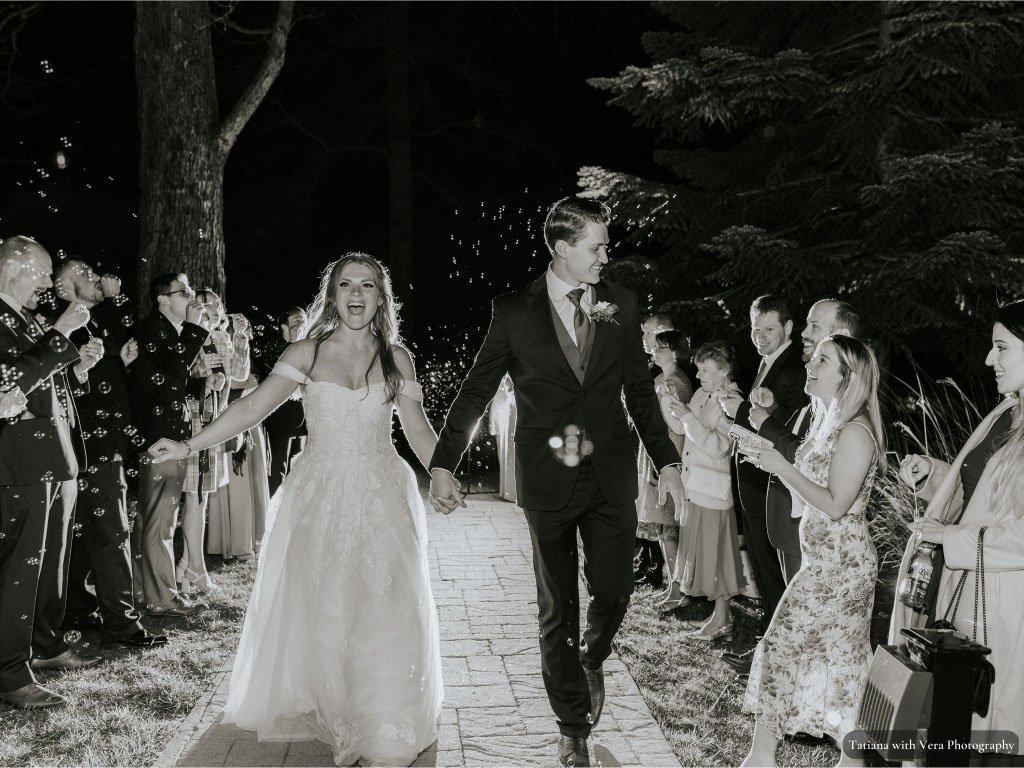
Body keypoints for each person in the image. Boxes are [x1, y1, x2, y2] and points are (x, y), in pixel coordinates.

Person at [148, 253, 442, 767]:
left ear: (380, 297)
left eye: (367, 286)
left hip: (382, 490)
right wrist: (189, 445)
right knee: (326, 600)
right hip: (320, 492)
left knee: (387, 596)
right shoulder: (306, 352)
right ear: (331, 296)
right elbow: (251, 407)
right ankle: (336, 702)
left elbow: (416, 428)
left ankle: (384, 715)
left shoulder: (398, 358)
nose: (356, 294)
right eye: (346, 285)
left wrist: (442, 470)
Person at [428, 197, 685, 768]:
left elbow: (639, 393)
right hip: (546, 478)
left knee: (616, 588)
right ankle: (571, 724)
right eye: (596, 247)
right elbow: (475, 390)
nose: (604, 256)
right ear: (563, 248)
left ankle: (591, 659)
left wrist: (667, 459)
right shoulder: (513, 311)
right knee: (557, 605)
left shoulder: (618, 304)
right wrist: (444, 461)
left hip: (611, 472)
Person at [736, 335, 885, 767]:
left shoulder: (856, 431)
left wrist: (782, 467)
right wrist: (770, 455)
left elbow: (837, 504)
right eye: (813, 356)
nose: (811, 364)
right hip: (826, 562)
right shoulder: (827, 424)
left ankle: (761, 758)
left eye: (823, 360)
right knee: (841, 662)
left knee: (788, 646)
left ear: (848, 377)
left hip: (842, 567)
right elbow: (810, 495)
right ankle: (850, 761)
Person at [891, 300, 1024, 765]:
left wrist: (953, 541)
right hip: (969, 593)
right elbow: (983, 496)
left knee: (989, 723)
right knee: (954, 722)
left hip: (1007, 609)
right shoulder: (1006, 412)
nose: (991, 359)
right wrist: (934, 474)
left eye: (1001, 347)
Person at [722, 299, 861, 676]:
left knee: (820, 634)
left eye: (815, 328)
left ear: (843, 339)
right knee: (793, 620)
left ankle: (790, 681)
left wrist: (768, 431)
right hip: (799, 525)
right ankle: (780, 672)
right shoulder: (823, 405)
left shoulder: (852, 419)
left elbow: (806, 460)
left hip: (828, 544)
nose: (804, 334)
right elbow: (804, 442)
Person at [0, 236, 99, 710]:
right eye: (38, 272)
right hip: (19, 464)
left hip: (51, 459)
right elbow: (10, 383)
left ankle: (43, 644)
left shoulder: (23, 319)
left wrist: (76, 367)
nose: (45, 282)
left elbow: (40, 386)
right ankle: (10, 673)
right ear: (10, 269)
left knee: (49, 565)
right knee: (20, 572)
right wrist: (59, 334)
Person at [53, 259, 166, 648]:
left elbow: (120, 353)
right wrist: (115, 301)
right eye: (85, 274)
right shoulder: (67, 320)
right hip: (90, 443)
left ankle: (81, 610)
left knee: (89, 532)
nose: (97, 278)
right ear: (63, 284)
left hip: (102, 439)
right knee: (110, 532)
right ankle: (122, 623)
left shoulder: (89, 319)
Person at [720, 294, 806, 635]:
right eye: (756, 329)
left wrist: (737, 411)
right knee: (762, 565)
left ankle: (776, 639)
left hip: (770, 483)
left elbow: (785, 428)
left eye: (770, 328)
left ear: (788, 327)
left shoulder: (796, 370)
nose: (761, 336)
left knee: (772, 568)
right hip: (753, 480)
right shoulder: (766, 363)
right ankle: (769, 638)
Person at [131, 272, 209, 616]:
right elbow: (174, 372)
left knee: (154, 518)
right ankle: (162, 597)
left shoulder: (165, 332)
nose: (191, 297)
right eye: (184, 291)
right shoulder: (153, 330)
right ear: (163, 299)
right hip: (158, 439)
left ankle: (141, 589)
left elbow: (175, 383)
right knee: (160, 520)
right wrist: (195, 328)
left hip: (163, 436)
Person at [664, 340, 746, 638]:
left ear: (725, 371)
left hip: (713, 491)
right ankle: (718, 617)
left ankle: (723, 619)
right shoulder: (702, 394)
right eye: (698, 369)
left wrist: (686, 416)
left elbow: (718, 447)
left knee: (717, 557)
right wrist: (674, 405)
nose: (698, 376)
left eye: (706, 370)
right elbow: (680, 429)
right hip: (695, 486)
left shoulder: (731, 401)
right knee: (703, 554)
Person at [177, 289, 248, 593]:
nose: (215, 309)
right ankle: (197, 569)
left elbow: (240, 375)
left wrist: (242, 339)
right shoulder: (187, 336)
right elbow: (178, 376)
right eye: (207, 305)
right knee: (194, 496)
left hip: (213, 420)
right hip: (192, 421)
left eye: (218, 304)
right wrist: (205, 380)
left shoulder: (221, 337)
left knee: (201, 497)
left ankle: (185, 565)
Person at [207, 312, 269, 561]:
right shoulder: (228, 356)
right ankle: (236, 543)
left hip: (253, 427)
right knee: (237, 484)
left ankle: (254, 538)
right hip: (235, 425)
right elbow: (235, 384)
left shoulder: (248, 357)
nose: (244, 331)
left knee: (250, 482)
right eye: (237, 327)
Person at [642, 329, 693, 612]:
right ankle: (672, 586)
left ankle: (678, 589)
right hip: (661, 453)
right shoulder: (662, 378)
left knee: (670, 527)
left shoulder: (675, 383)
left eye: (661, 348)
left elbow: (676, 426)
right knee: (664, 529)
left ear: (675, 352)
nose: (655, 351)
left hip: (672, 454)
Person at [261, 307, 308, 495]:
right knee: (278, 466)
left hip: (303, 418)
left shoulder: (308, 348)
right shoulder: (275, 348)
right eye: (296, 321)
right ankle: (274, 508)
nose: (301, 325)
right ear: (283, 326)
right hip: (280, 417)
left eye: (304, 321)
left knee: (299, 466)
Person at [488, 373, 517, 502]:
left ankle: (508, 489)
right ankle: (509, 489)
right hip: (505, 410)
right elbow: (506, 392)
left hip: (507, 409)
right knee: (506, 450)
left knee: (507, 450)